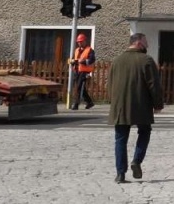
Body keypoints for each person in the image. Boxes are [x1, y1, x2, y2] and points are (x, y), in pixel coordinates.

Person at [108, 32, 163, 183]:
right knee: (144, 132)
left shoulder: (117, 60)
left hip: (120, 106)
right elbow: (154, 85)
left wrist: (113, 102)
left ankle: (120, 174)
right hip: (141, 104)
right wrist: (158, 105)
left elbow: (110, 84)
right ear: (138, 43)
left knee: (120, 139)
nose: (148, 45)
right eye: (146, 42)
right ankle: (136, 161)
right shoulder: (146, 60)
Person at [68, 32, 96, 110]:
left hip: (84, 72)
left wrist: (83, 61)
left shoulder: (90, 50)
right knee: (80, 88)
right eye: (78, 42)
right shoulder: (77, 50)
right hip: (77, 71)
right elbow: (73, 59)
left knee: (79, 87)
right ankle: (89, 102)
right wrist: (72, 61)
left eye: (81, 42)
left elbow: (91, 60)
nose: (79, 43)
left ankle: (76, 104)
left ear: (85, 41)